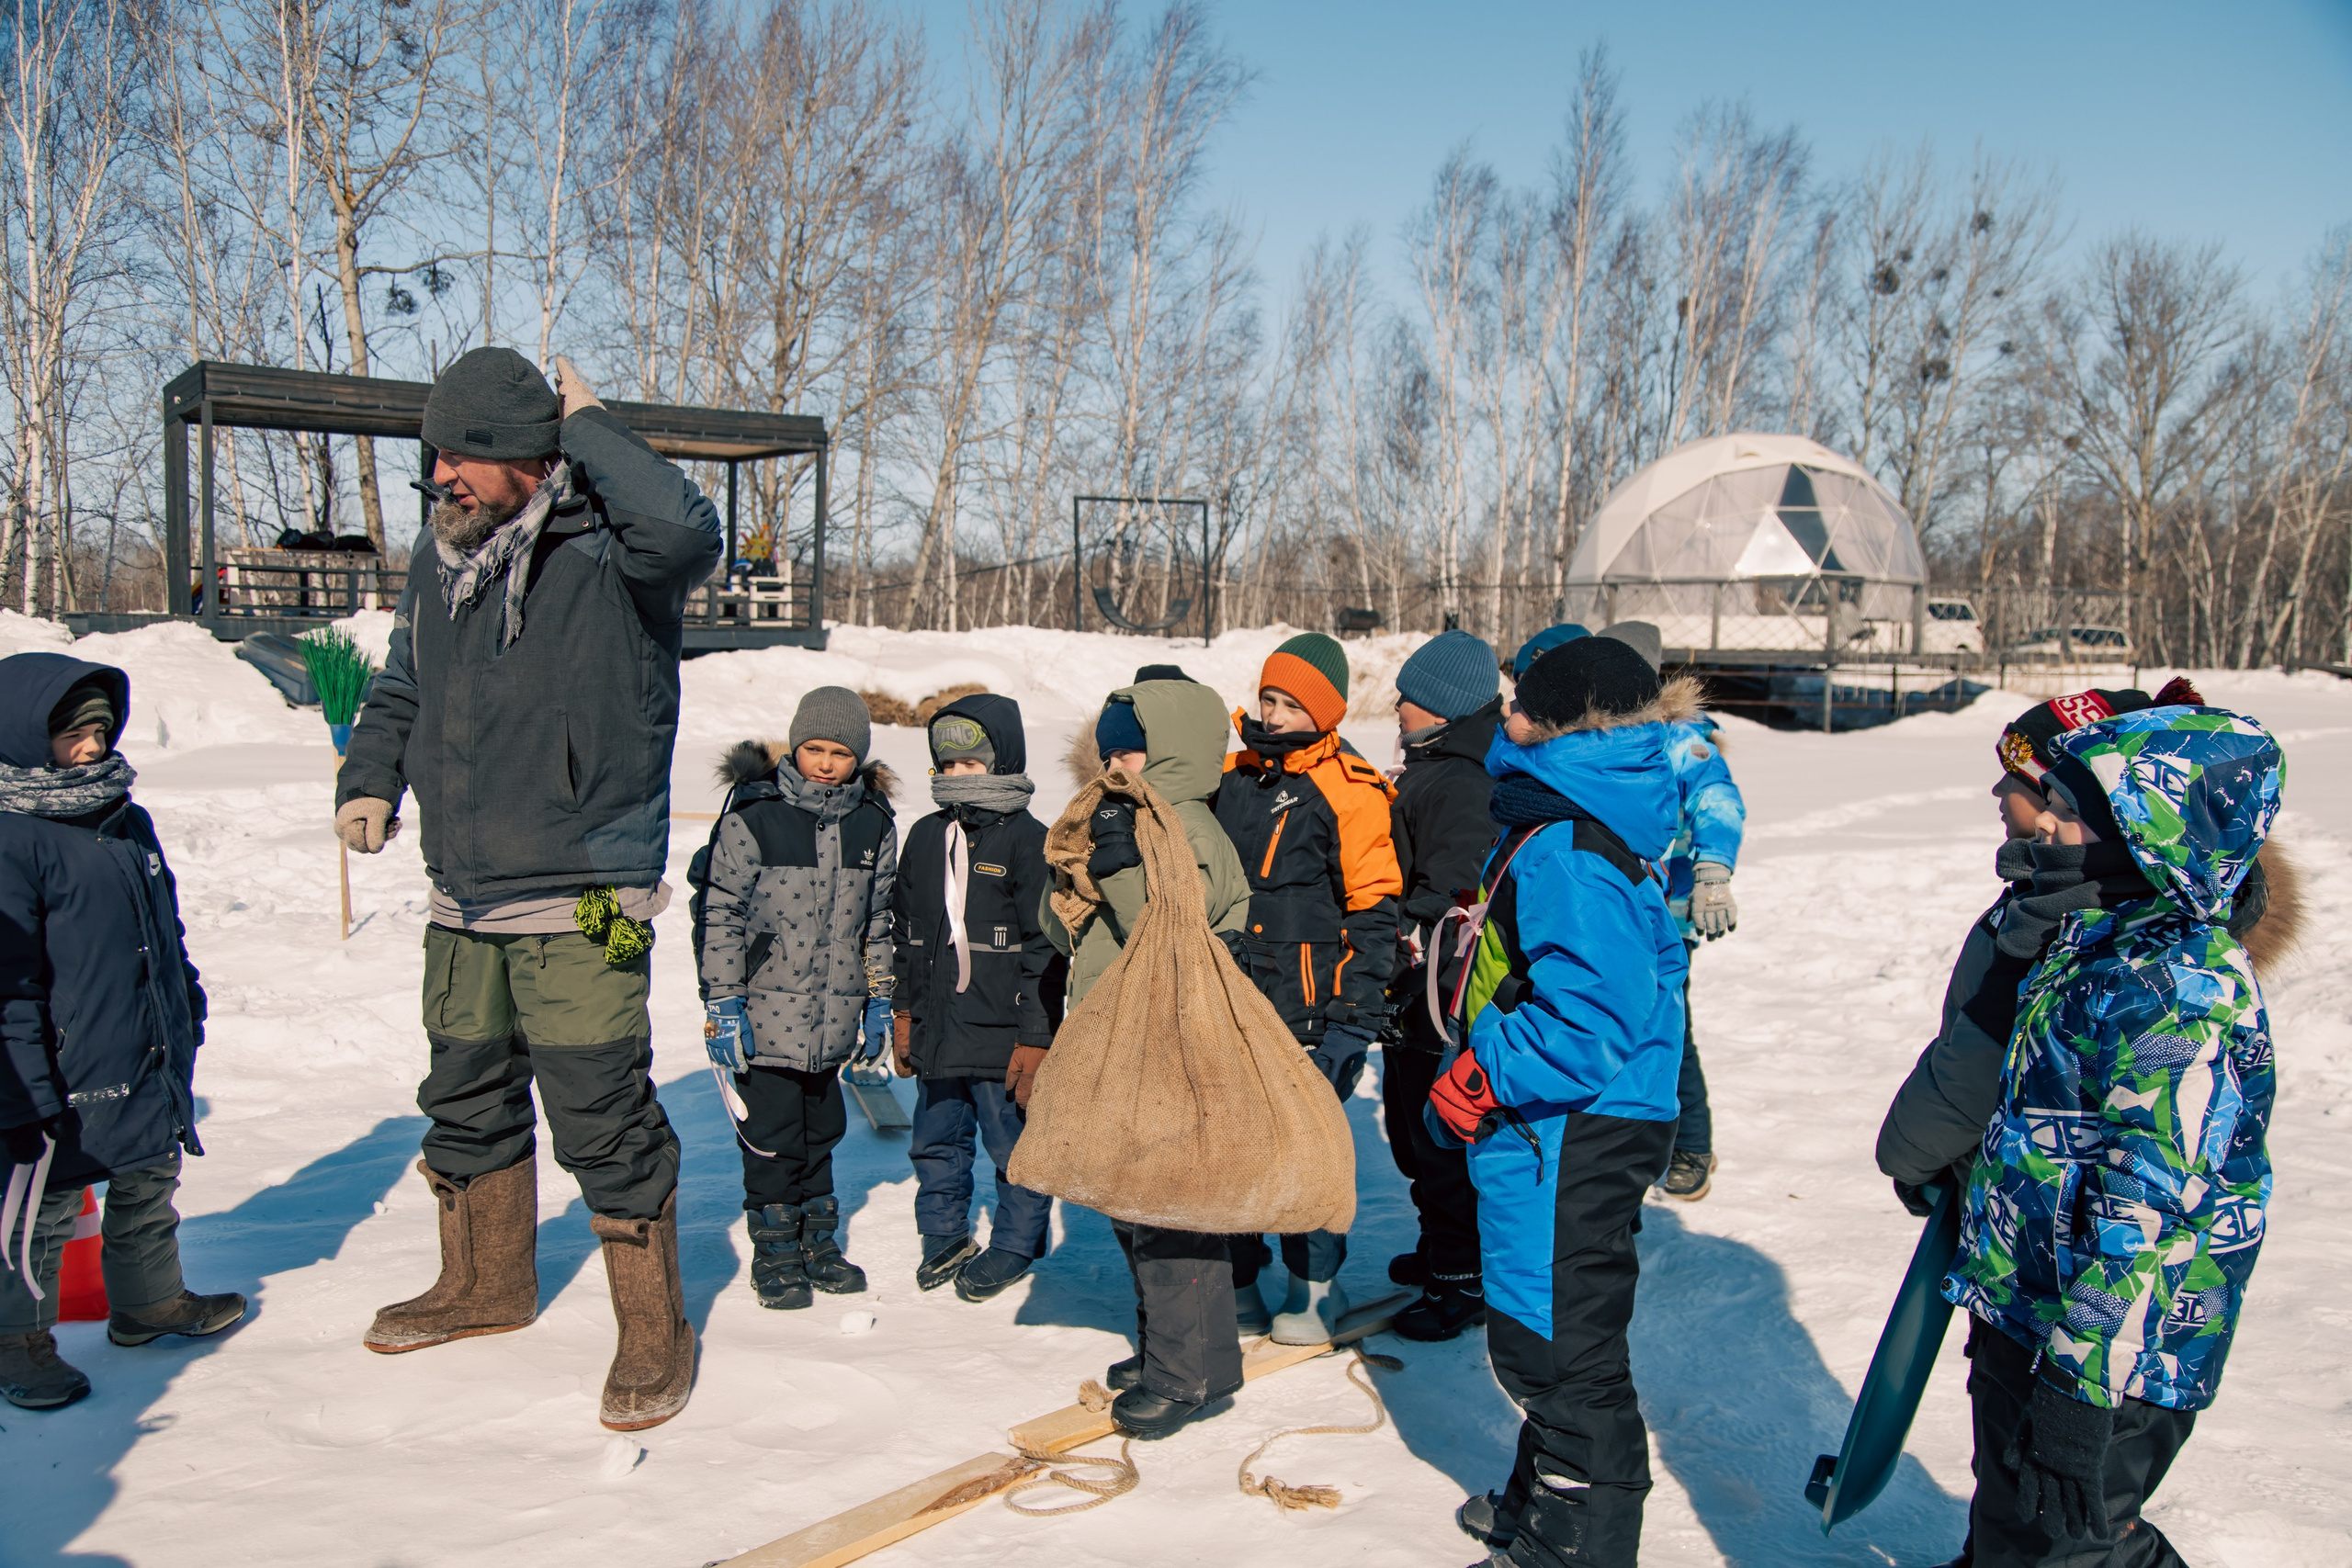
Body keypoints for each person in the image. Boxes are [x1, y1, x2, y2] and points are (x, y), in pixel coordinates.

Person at [337, 348, 715, 1431]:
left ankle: (654, 1331)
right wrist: (370, 777)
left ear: (527, 457)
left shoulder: (614, 556)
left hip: (588, 891)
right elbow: (404, 679)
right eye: (436, 452)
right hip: (463, 894)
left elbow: (689, 530)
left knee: (600, 1108)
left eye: (465, 454)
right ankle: (485, 1282)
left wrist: (590, 424)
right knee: (463, 1093)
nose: (442, 473)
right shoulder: (437, 559)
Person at [1877, 680, 2297, 1568]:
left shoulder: (2184, 989)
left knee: (2076, 1548)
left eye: (2065, 810)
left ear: (2141, 835)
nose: (2041, 823)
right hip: (2028, 1307)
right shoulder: (2086, 939)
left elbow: (2155, 1207)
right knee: (2016, 1529)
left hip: (2113, 1348)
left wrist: (2082, 1385)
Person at [1432, 636, 1695, 1568]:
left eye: (1516, 702)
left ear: (1552, 723)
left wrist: (1483, 1072)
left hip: (1571, 1124)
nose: (1500, 714)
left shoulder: (1570, 849)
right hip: (1565, 1120)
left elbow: (1588, 1023)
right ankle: (1537, 1502)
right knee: (1544, 1325)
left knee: (1557, 1352)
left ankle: (1577, 1544)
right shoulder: (1571, 821)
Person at [0, 656, 245, 1411]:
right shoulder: (15, 838)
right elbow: (9, 980)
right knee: (43, 1207)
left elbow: (160, 926)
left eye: (102, 727)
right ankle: (17, 1339)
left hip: (142, 1043)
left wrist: (188, 999)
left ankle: (148, 1303)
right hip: (65, 1062)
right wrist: (25, 1090)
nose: (94, 744)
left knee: (148, 1179)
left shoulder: (124, 816)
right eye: (75, 730)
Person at [1043, 677, 1251, 1439]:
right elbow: (1071, 929)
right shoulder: (1130, 819)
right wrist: (1070, 869)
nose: (1116, 762)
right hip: (1123, 1031)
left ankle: (1189, 1371)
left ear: (1175, 751)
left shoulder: (1186, 828)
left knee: (1172, 1210)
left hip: (1173, 1037)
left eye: (1131, 748)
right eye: (1108, 750)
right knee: (1136, 1207)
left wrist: (1122, 865)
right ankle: (1170, 1348)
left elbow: (1172, 936)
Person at [1214, 633, 1402, 1345]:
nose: (1275, 713)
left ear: (1325, 710)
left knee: (1305, 1152)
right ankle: (1237, 1278)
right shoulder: (1233, 773)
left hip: (1309, 1011)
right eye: (1269, 697)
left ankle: (1314, 1286)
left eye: (1293, 703)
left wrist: (1352, 1018)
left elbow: (1373, 910)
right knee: (1229, 1144)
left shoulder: (1349, 789)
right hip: (1234, 1000)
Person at [699, 689, 898, 1312]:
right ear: (795, 745)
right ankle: (776, 1251)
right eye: (814, 748)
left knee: (823, 1130)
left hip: (834, 1015)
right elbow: (723, 914)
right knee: (771, 1135)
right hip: (764, 1013)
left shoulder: (873, 822)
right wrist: (724, 1002)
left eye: (841, 753)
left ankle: (818, 1242)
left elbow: (879, 922)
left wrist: (878, 1000)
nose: (825, 762)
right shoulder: (755, 817)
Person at [889, 694, 1055, 1303]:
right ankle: (942, 1232)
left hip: (1001, 1033)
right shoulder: (926, 836)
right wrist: (904, 1010)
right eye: (947, 764)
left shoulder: (1029, 841)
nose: (957, 775)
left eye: (972, 763)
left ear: (1003, 760)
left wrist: (1036, 1035)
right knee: (935, 1137)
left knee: (1015, 1145)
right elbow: (905, 931)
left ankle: (1015, 1241)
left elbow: (1045, 948)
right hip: (937, 1028)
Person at [1593, 620, 1744, 1202]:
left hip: (1667, 912)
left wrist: (1712, 874)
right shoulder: (1598, 730)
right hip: (1612, 907)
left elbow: (1716, 799)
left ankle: (1692, 1146)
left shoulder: (1679, 736)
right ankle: (1628, 1135)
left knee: (1667, 1026)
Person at [1381, 629, 1503, 1342]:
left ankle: (1463, 1277)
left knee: (1436, 1136)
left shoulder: (1461, 781)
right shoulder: (1434, 766)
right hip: (1413, 989)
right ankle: (1442, 1248)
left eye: (1413, 696)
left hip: (1436, 991)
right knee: (1409, 1132)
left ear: (1447, 709)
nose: (1398, 704)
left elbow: (1449, 889)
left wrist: (1398, 936)